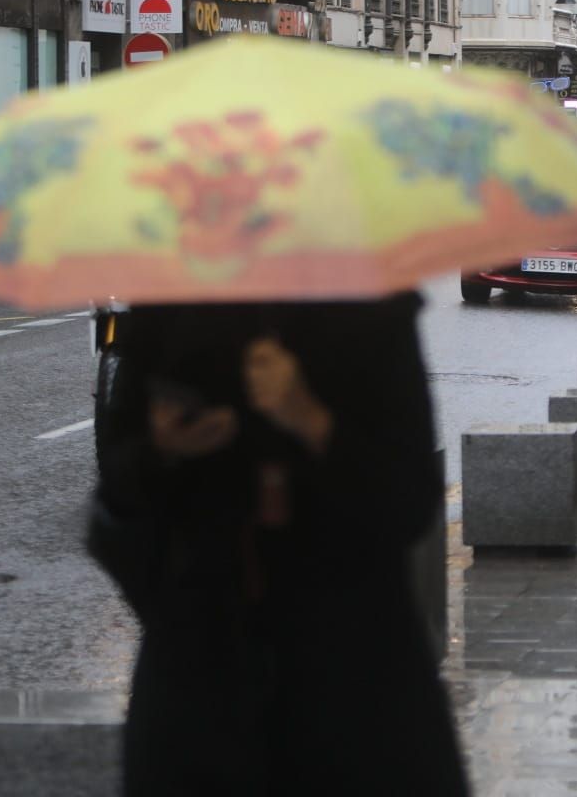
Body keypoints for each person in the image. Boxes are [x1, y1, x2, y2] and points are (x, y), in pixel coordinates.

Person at [90, 295, 471, 797]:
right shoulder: (168, 312)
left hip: (355, 687)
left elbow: (409, 502)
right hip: (198, 689)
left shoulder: (372, 317)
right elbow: (116, 500)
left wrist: (309, 418)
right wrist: (163, 450)